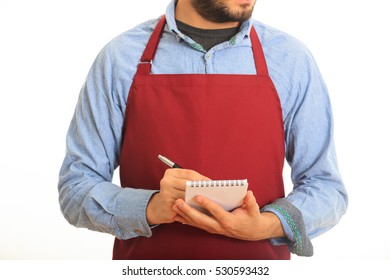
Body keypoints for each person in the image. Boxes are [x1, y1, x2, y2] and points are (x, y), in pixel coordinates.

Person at [58, 0, 348, 260]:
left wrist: (267, 224)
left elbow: (326, 188)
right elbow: (76, 188)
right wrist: (151, 206)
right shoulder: (120, 58)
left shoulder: (290, 59)